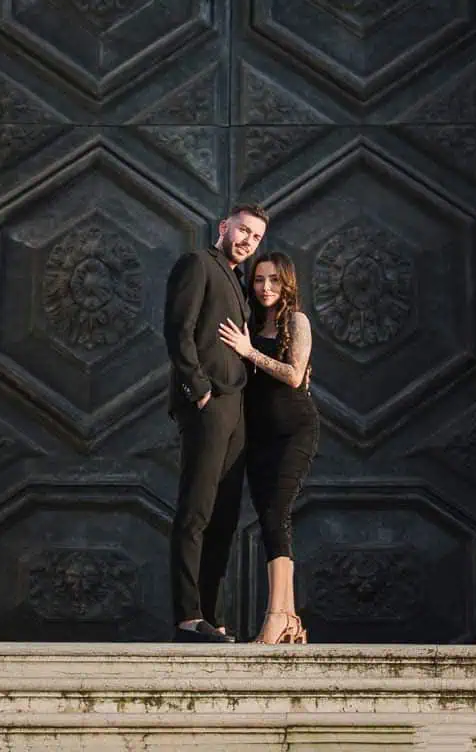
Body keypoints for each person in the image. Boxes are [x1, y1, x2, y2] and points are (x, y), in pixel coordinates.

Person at [163, 202, 268, 641]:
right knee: (197, 511)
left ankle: (212, 616)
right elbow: (178, 329)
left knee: (224, 516)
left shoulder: (239, 280)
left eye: (256, 237)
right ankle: (188, 617)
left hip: (236, 407)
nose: (247, 241)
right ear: (224, 227)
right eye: (243, 231)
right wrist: (199, 389)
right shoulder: (197, 264)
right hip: (209, 404)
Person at [218, 251, 318, 646]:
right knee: (271, 520)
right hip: (257, 435)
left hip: (294, 430)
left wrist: (249, 352)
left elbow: (294, 375)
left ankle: (275, 616)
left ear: (287, 283)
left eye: (274, 280)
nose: (265, 288)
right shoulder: (253, 322)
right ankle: (291, 619)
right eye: (259, 280)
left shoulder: (297, 321)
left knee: (277, 513)